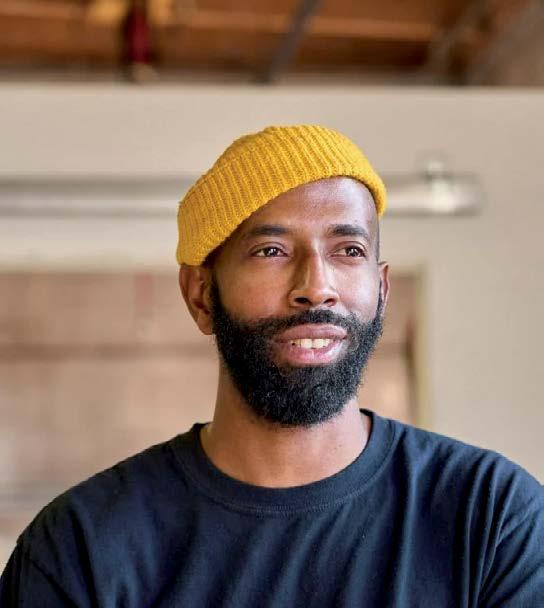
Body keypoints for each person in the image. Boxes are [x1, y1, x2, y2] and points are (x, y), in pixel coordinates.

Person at [1, 125, 542, 607]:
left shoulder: (492, 517)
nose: (316, 287)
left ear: (381, 289)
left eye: (348, 250)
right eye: (271, 251)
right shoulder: (80, 546)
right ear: (200, 295)